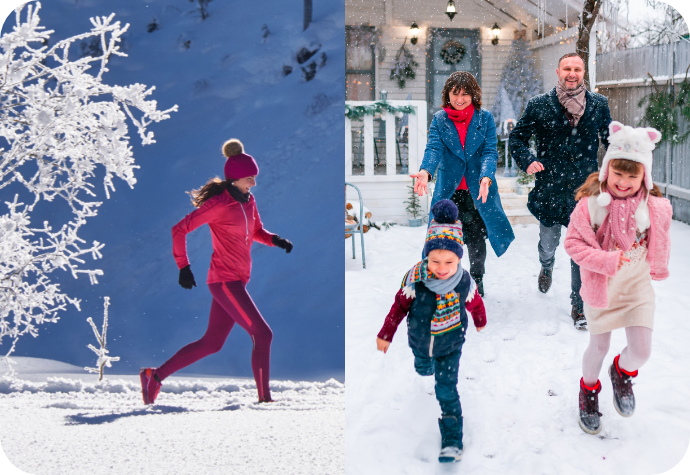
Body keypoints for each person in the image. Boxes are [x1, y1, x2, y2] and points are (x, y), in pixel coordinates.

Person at [140, 139, 293, 405]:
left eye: (254, 178)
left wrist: (274, 239)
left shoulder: (248, 200)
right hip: (224, 281)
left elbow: (256, 231)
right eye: (249, 178)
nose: (254, 183)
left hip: (238, 280)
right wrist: (183, 267)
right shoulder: (218, 205)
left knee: (212, 343)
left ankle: (154, 376)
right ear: (234, 178)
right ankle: (264, 400)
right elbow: (179, 229)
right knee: (262, 334)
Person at [564, 122, 672, 434]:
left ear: (645, 177)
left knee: (642, 350)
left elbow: (660, 239)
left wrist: (659, 265)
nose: (623, 182)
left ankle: (621, 372)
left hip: (637, 288)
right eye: (618, 173)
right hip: (602, 288)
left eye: (632, 174)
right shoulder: (590, 207)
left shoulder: (653, 207)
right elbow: (573, 244)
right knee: (598, 347)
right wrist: (606, 259)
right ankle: (588, 390)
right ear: (607, 169)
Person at [375, 200, 486, 463]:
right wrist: (385, 334)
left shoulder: (464, 281)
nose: (442, 267)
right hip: (420, 340)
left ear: (459, 258)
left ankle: (452, 440)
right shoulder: (415, 279)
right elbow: (398, 307)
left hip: (451, 344)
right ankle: (423, 363)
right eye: (434, 260)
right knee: (423, 366)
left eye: (449, 260)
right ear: (426, 257)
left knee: (446, 390)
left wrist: (480, 320)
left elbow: (475, 302)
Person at [509, 52, 612, 330]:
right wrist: (528, 160)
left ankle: (579, 306)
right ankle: (546, 264)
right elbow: (517, 138)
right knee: (548, 241)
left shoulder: (599, 104)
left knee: (581, 251)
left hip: (584, 192)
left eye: (577, 69)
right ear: (558, 72)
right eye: (567, 68)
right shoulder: (540, 105)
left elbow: (611, 141)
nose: (572, 73)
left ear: (583, 73)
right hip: (550, 190)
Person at [411, 71, 514, 296]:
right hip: (450, 191)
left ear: (473, 95)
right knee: (443, 239)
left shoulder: (484, 117)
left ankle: (477, 279)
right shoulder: (440, 119)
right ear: (447, 94)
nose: (460, 99)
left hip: (478, 190)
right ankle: (444, 280)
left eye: (465, 94)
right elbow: (434, 148)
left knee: (476, 239)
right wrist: (426, 171)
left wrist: (486, 176)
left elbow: (489, 151)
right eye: (455, 93)